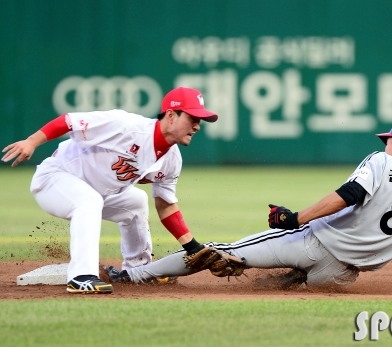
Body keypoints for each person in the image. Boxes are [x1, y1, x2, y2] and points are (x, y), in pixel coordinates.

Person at [104, 120, 392, 293]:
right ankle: (288, 282)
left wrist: (293, 218)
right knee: (294, 284)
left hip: (312, 243)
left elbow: (350, 196)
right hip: (341, 274)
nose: (385, 142)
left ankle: (134, 274)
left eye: (390, 138)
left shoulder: (381, 161)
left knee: (218, 252)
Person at [2, 87, 230, 294]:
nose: (198, 125)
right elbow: (69, 121)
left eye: (199, 120)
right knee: (89, 201)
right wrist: (32, 142)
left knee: (136, 202)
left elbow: (166, 204)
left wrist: (192, 247)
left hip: (99, 192)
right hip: (55, 179)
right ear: (171, 115)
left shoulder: (171, 159)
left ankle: (138, 271)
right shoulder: (126, 126)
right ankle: (81, 277)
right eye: (192, 118)